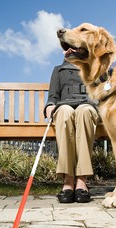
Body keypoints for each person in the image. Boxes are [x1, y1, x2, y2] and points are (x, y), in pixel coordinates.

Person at [44, 60, 100, 203]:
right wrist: (50, 105)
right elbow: (53, 96)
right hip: (64, 107)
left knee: (85, 111)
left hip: (87, 106)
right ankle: (68, 180)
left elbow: (101, 92)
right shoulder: (58, 69)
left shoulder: (94, 67)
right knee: (64, 111)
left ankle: (81, 180)